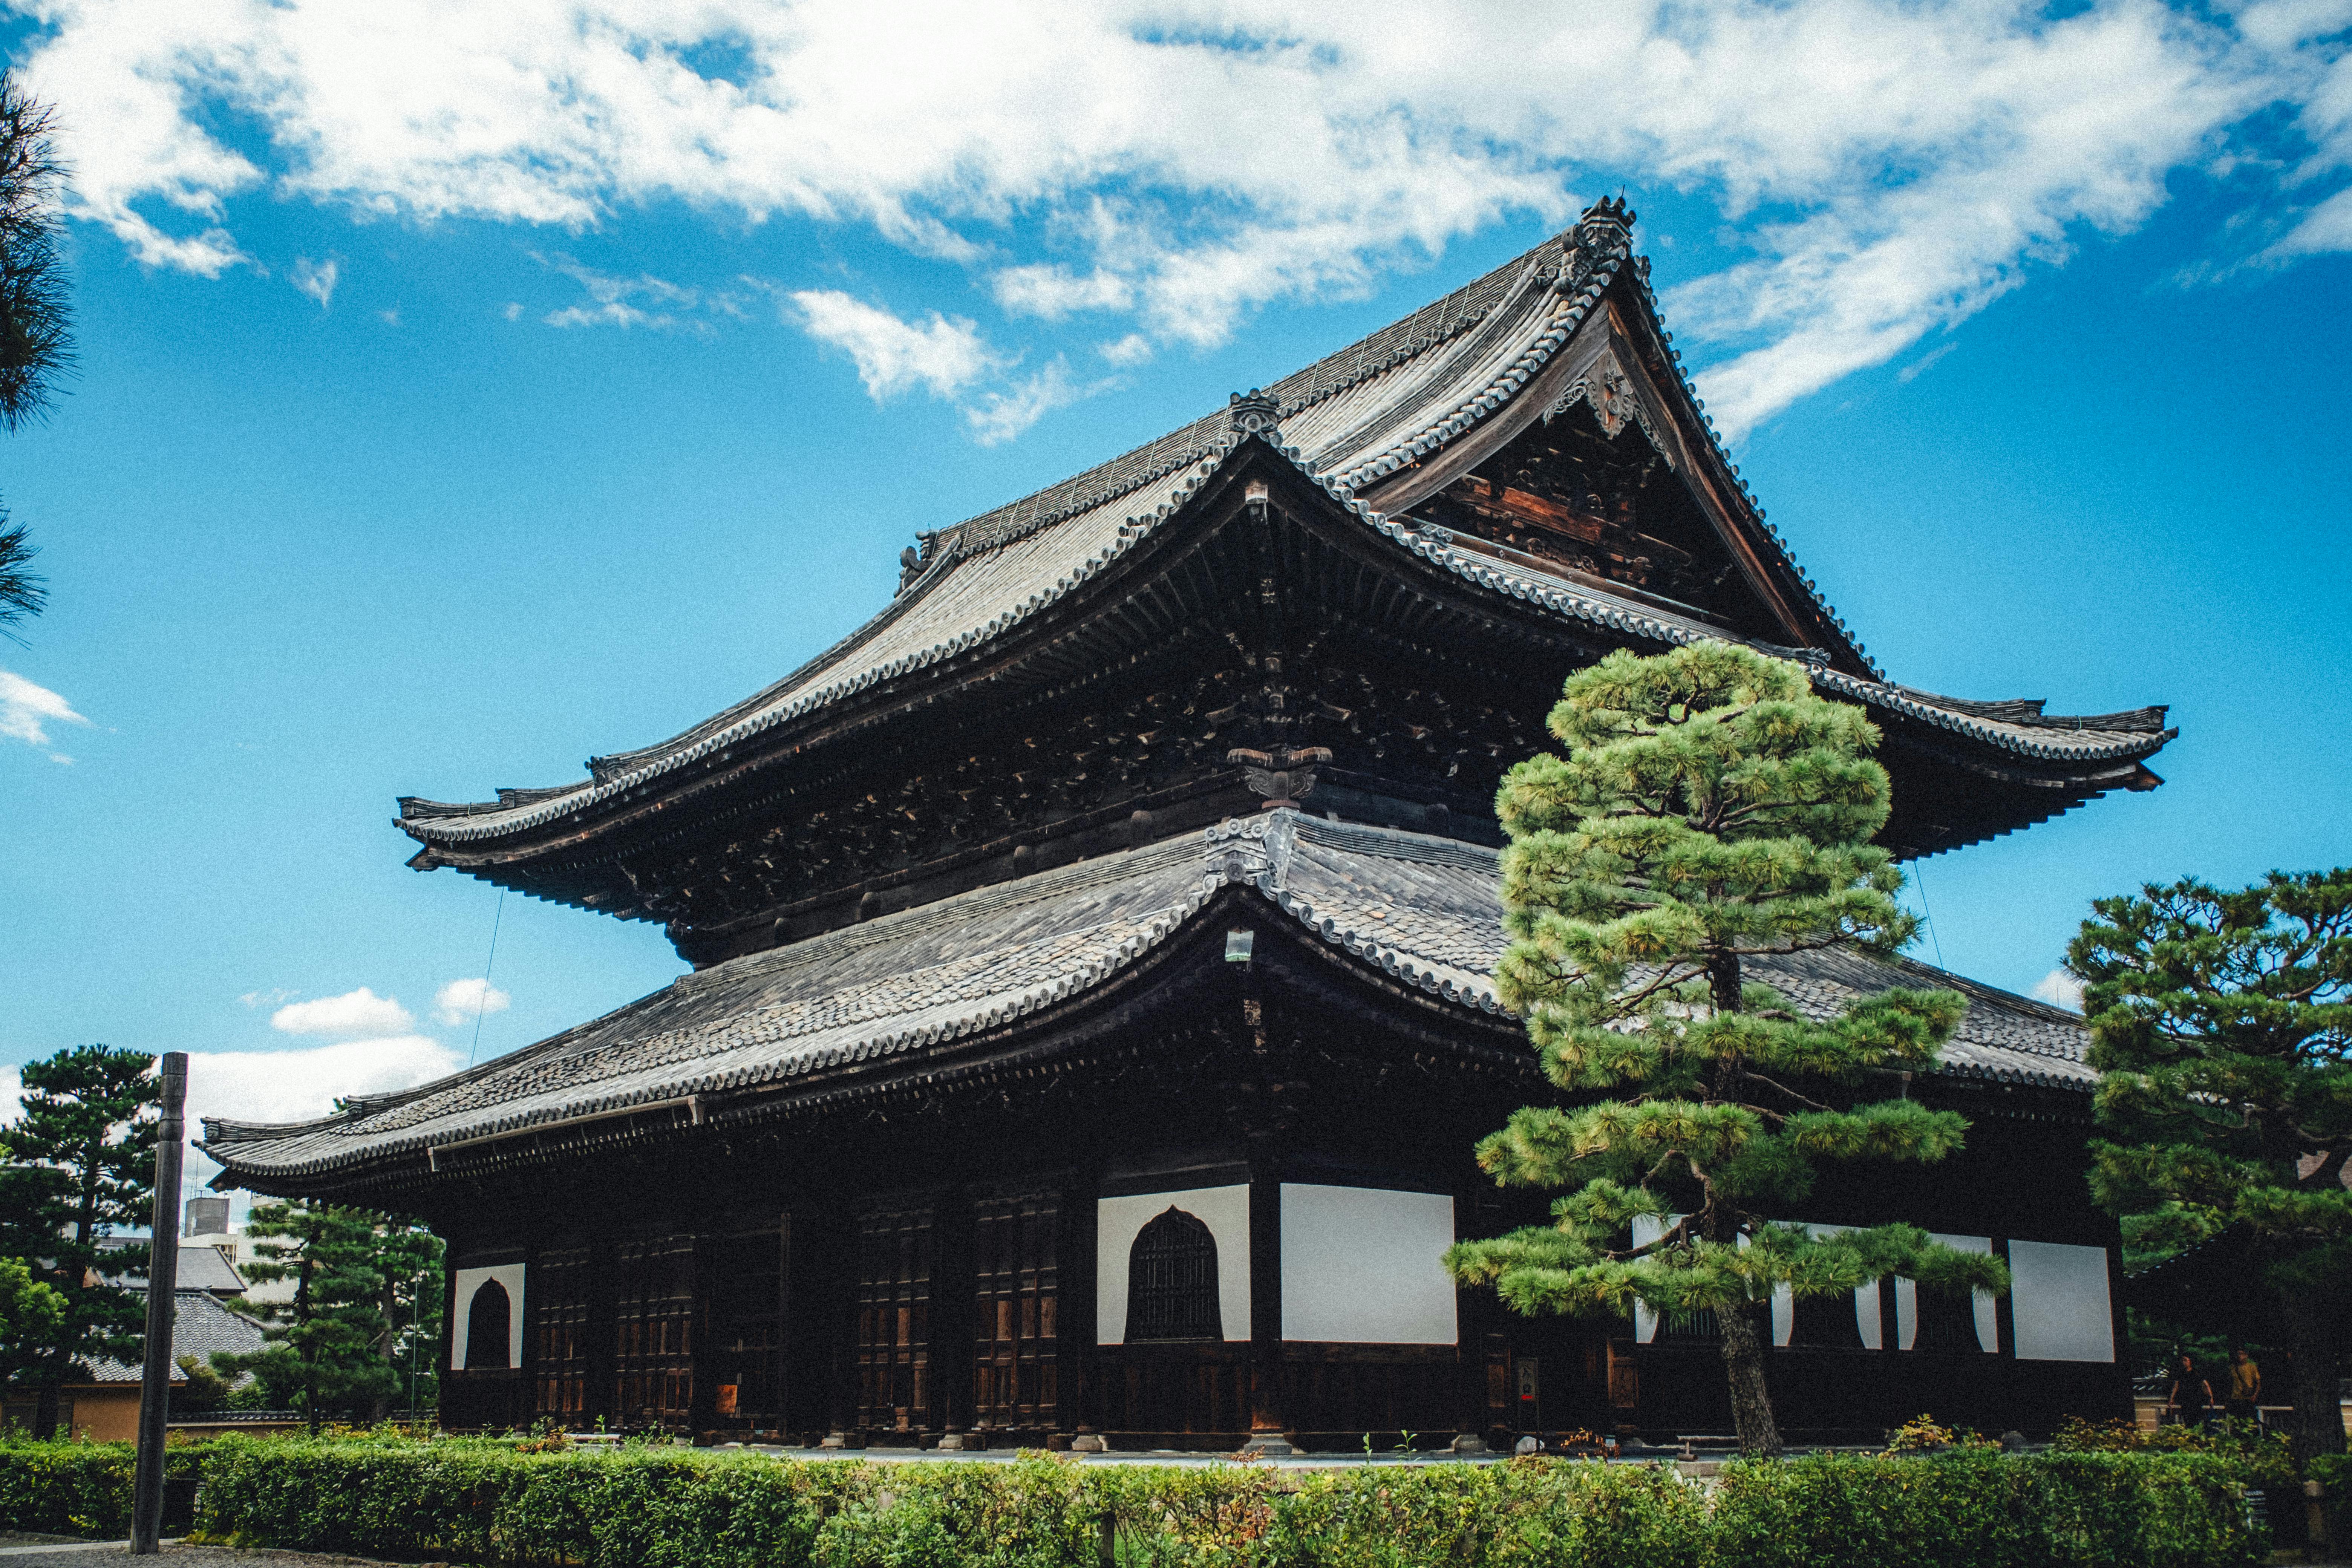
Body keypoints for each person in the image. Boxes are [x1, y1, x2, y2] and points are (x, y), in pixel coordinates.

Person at [2167, 1353, 2215, 1431]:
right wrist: (2172, 1398)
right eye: (2183, 1361)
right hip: (2186, 1400)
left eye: (2186, 1361)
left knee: (2196, 1420)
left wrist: (2211, 1397)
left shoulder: (2197, 1373)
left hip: (2196, 1400)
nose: (2184, 1362)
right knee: (2187, 1420)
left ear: (2190, 1362)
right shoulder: (2181, 1374)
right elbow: (2176, 1386)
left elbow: (2206, 1385)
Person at [2226, 1348, 2262, 1426]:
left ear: (2246, 1356)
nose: (2239, 1356)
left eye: (2241, 1354)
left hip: (2248, 1398)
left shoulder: (2252, 1367)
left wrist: (2255, 1395)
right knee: (2237, 1422)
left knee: (2250, 1421)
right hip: (2236, 1398)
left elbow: (2258, 1382)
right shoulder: (2233, 1368)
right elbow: (2229, 1383)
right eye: (2238, 1354)